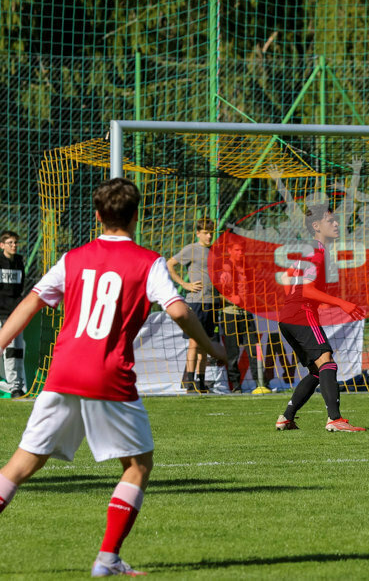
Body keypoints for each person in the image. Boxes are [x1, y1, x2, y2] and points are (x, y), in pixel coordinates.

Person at [0, 178, 226, 577]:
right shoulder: (148, 261)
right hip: (108, 376)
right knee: (138, 465)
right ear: (136, 215)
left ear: (99, 215)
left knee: (18, 467)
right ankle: (107, 558)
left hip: (63, 371)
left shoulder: (72, 258)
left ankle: (109, 560)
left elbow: (32, 301)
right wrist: (211, 348)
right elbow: (177, 311)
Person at [275, 204, 367, 432]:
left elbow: (287, 278)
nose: (336, 224)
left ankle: (286, 417)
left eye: (336, 220)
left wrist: (297, 301)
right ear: (316, 226)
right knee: (327, 362)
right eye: (330, 221)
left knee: (317, 371)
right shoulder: (317, 252)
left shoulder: (309, 251)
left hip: (288, 315)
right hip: (300, 313)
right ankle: (334, 419)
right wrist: (341, 303)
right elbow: (305, 290)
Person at [167, 218, 219, 393]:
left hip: (212, 303)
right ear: (198, 233)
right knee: (194, 343)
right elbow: (169, 264)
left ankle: (202, 382)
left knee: (205, 344)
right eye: (205, 232)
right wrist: (184, 284)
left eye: (211, 232)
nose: (209, 235)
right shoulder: (191, 249)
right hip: (195, 302)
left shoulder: (215, 251)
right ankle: (190, 382)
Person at [216, 237, 261, 393]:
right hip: (230, 314)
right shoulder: (225, 268)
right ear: (229, 251)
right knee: (233, 352)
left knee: (254, 349)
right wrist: (230, 298)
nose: (240, 253)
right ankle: (235, 386)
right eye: (237, 250)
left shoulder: (246, 267)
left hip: (246, 313)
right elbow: (218, 293)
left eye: (242, 250)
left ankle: (260, 383)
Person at [0, 231, 27, 397]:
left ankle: (15, 387)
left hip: (13, 314)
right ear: (2, 245)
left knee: (15, 350)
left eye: (15, 243)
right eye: (10, 242)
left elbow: (20, 288)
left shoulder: (19, 261)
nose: (14, 245)